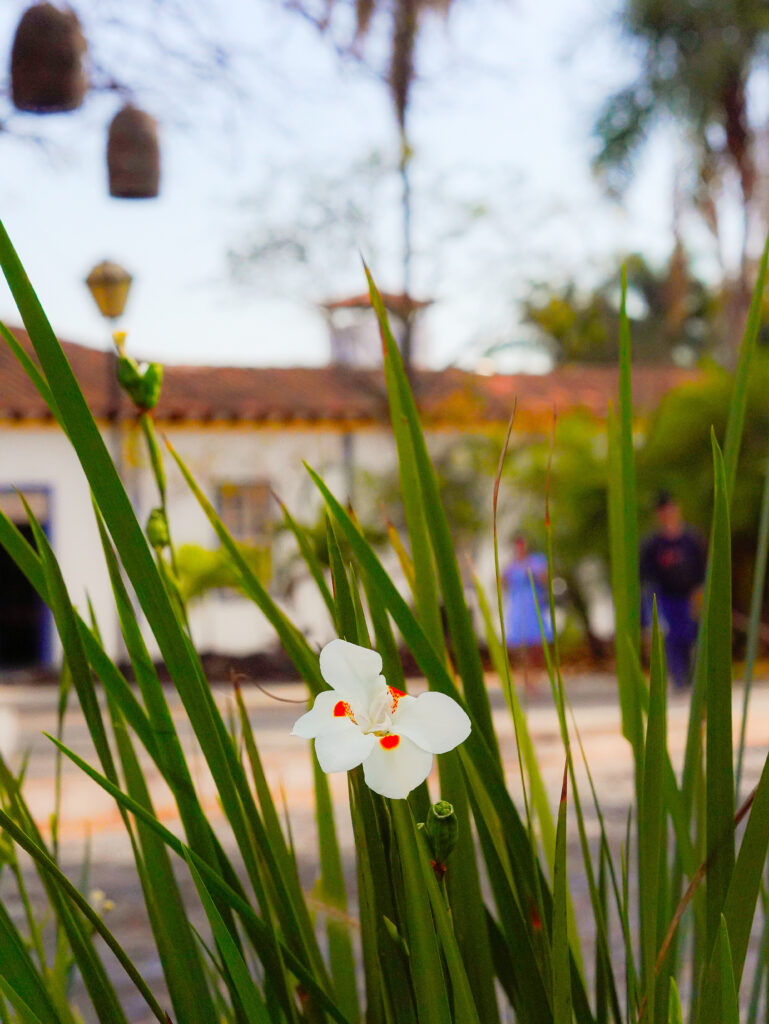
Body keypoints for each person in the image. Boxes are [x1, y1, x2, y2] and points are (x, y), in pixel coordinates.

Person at [640, 491, 706, 688]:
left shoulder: (691, 539)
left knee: (691, 635)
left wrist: (699, 593)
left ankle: (693, 676)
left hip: (689, 596)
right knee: (672, 638)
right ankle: (678, 678)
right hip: (665, 597)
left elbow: (702, 567)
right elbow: (645, 574)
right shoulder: (652, 543)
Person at [503, 533, 553, 658]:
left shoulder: (537, 561)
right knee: (518, 638)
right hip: (517, 604)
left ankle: (538, 668)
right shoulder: (511, 565)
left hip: (533, 601)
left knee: (537, 637)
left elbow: (545, 580)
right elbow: (504, 585)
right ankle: (524, 671)